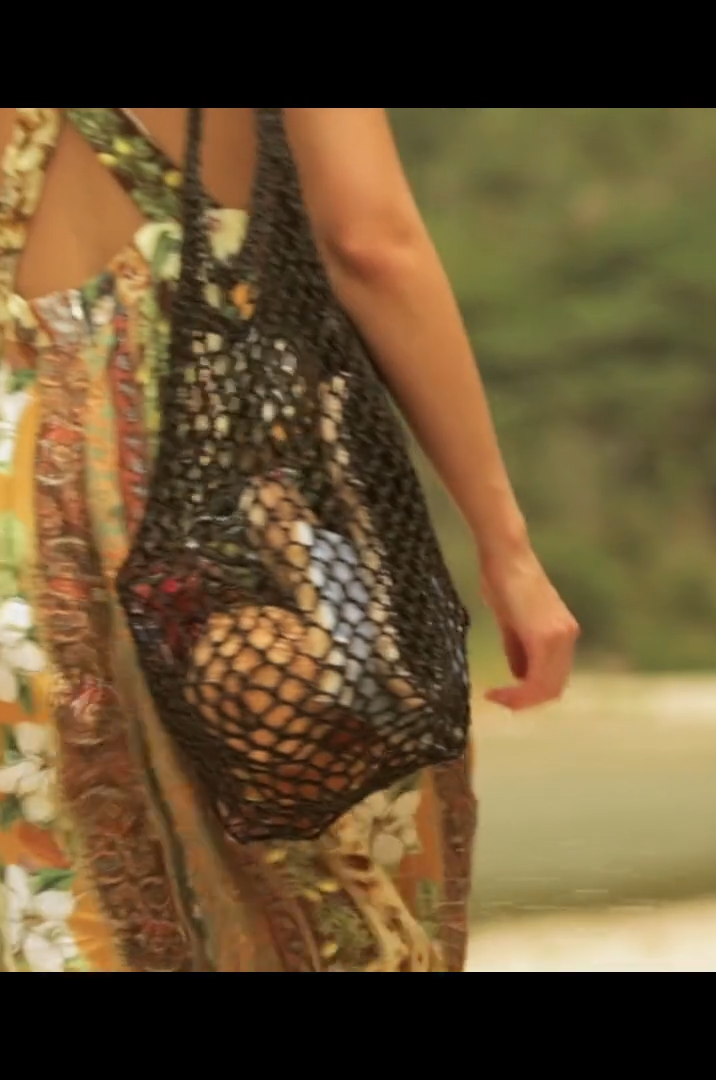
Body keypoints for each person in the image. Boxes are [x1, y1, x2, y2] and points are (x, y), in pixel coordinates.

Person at [0, 108, 578, 972]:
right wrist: (507, 547)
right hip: (219, 479)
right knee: (321, 890)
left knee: (63, 903)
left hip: (19, 489)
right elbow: (370, 243)